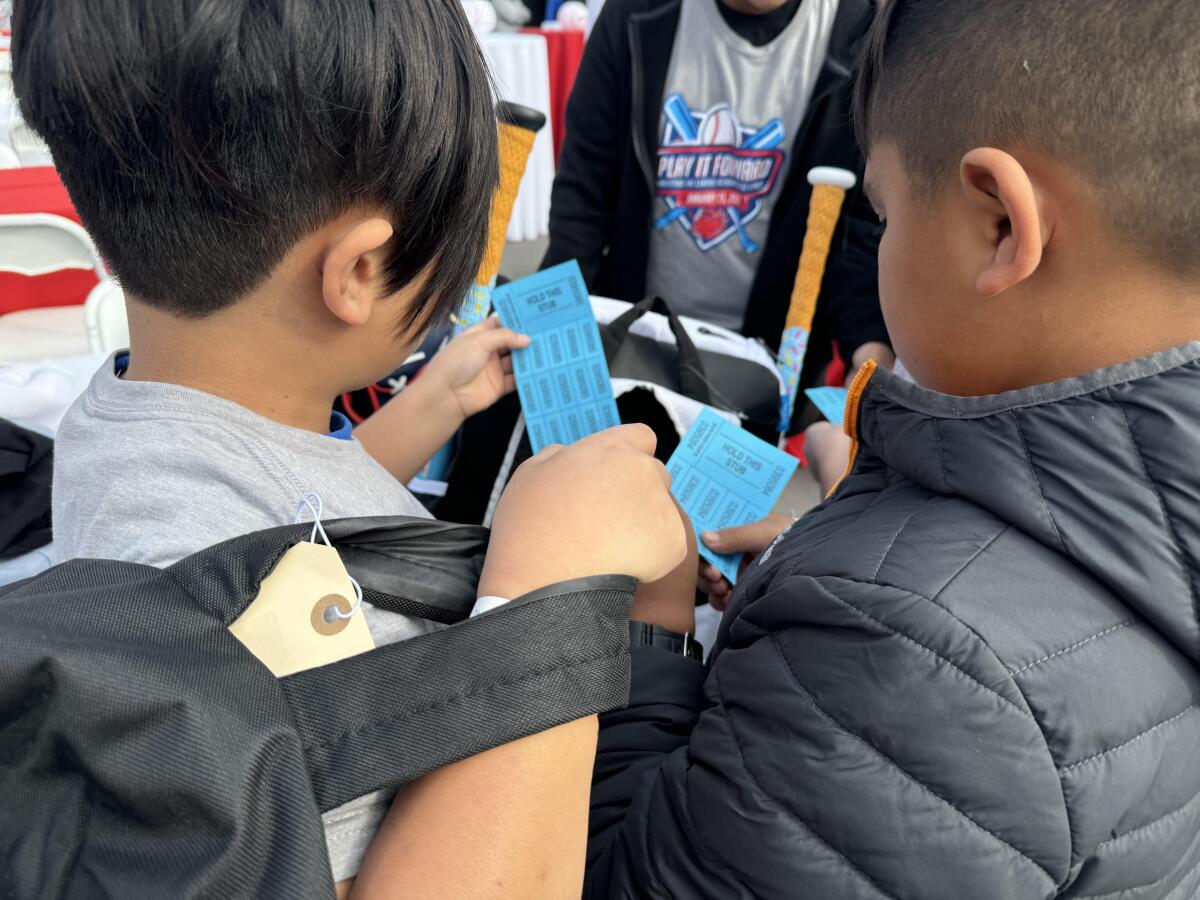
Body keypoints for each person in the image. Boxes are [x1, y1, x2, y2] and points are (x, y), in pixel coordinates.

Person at [10, 1, 690, 896]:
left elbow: (288, 506)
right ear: (361, 272)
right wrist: (545, 589)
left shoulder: (138, 414)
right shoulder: (221, 619)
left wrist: (432, 403)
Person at [585, 0, 1200, 896]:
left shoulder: (901, 651)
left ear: (1000, 225)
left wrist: (655, 621)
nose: (878, 246)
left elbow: (629, 879)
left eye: (883, 209)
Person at [544, 0, 894, 406]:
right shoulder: (635, 14)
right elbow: (582, 197)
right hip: (634, 345)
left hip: (768, 372)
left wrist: (870, 344)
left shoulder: (860, 31)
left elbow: (865, 224)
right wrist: (553, 322)